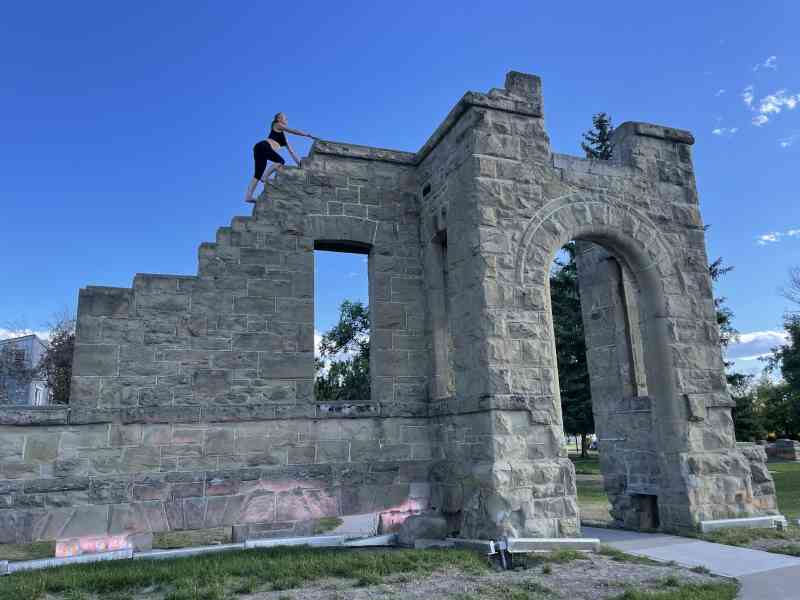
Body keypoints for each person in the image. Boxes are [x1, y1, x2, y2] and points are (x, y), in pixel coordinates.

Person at [245, 112, 317, 203]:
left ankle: (248, 196)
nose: (286, 119)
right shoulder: (277, 125)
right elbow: (293, 130)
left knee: (257, 175)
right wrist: (307, 134)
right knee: (280, 161)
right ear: (278, 119)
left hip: (259, 148)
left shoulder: (284, 138)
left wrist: (300, 164)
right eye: (284, 118)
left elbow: (291, 152)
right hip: (264, 146)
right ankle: (264, 176)